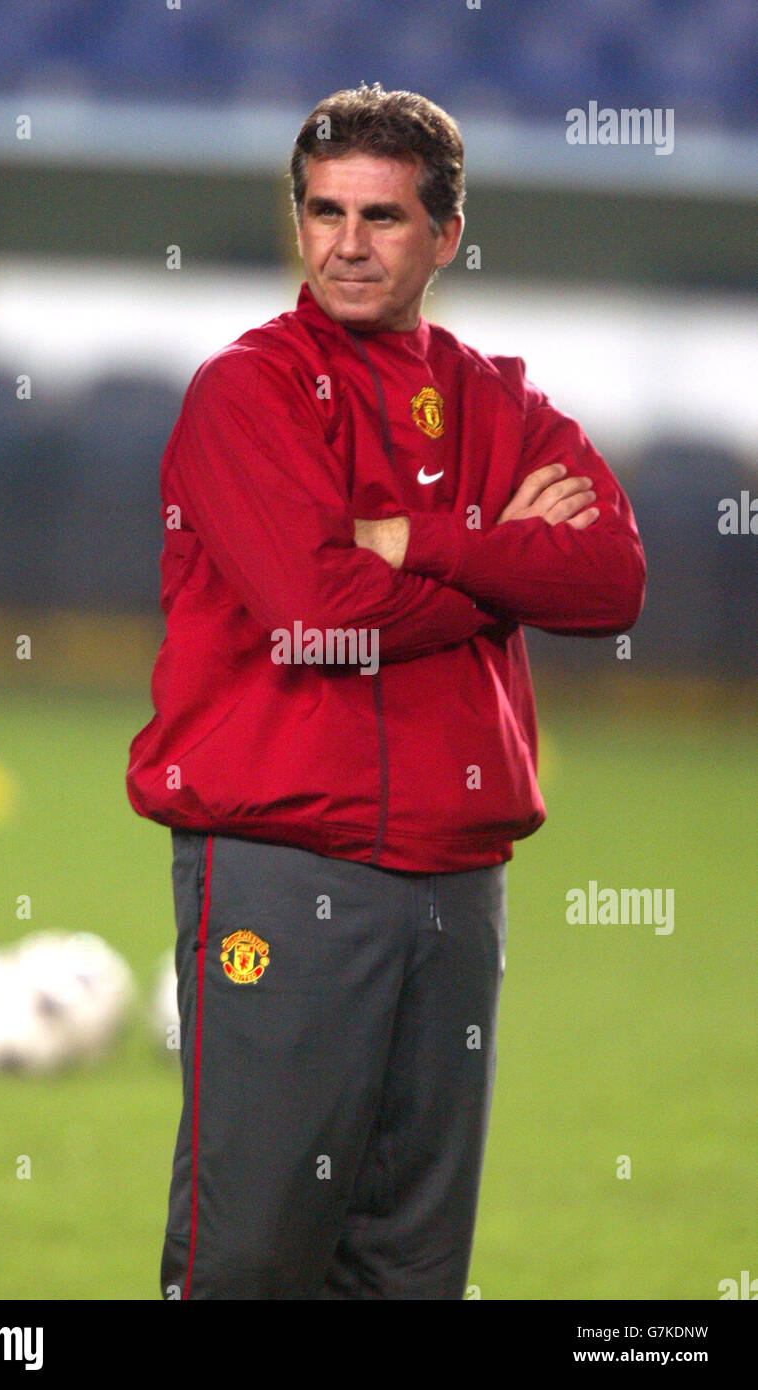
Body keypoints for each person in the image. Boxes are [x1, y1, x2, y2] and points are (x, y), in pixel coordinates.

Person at [127, 82, 646, 1300]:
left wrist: (413, 541)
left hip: (455, 883)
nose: (346, 245)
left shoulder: (499, 401)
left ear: (444, 235)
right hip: (281, 860)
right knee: (251, 1247)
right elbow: (315, 617)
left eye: (382, 216)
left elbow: (612, 579)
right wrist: (497, 566)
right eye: (321, 213)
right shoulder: (242, 390)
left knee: (412, 1261)